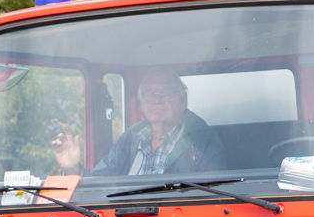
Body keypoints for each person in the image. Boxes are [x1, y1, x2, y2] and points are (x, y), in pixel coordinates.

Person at [50, 66, 227, 176]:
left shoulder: (203, 140)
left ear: (183, 101)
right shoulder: (130, 139)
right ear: (141, 102)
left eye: (166, 92)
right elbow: (97, 187)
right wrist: (72, 169)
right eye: (150, 93)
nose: (157, 100)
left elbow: (214, 197)